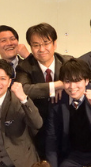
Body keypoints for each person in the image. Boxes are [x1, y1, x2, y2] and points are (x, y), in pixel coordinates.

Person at [15, 23, 75, 153]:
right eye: (36, 45)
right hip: (38, 129)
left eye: (46, 43)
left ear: (55, 44)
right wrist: (57, 85)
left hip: (68, 125)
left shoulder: (67, 62)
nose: (41, 49)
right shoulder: (24, 67)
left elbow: (87, 83)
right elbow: (24, 89)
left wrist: (68, 84)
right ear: (31, 47)